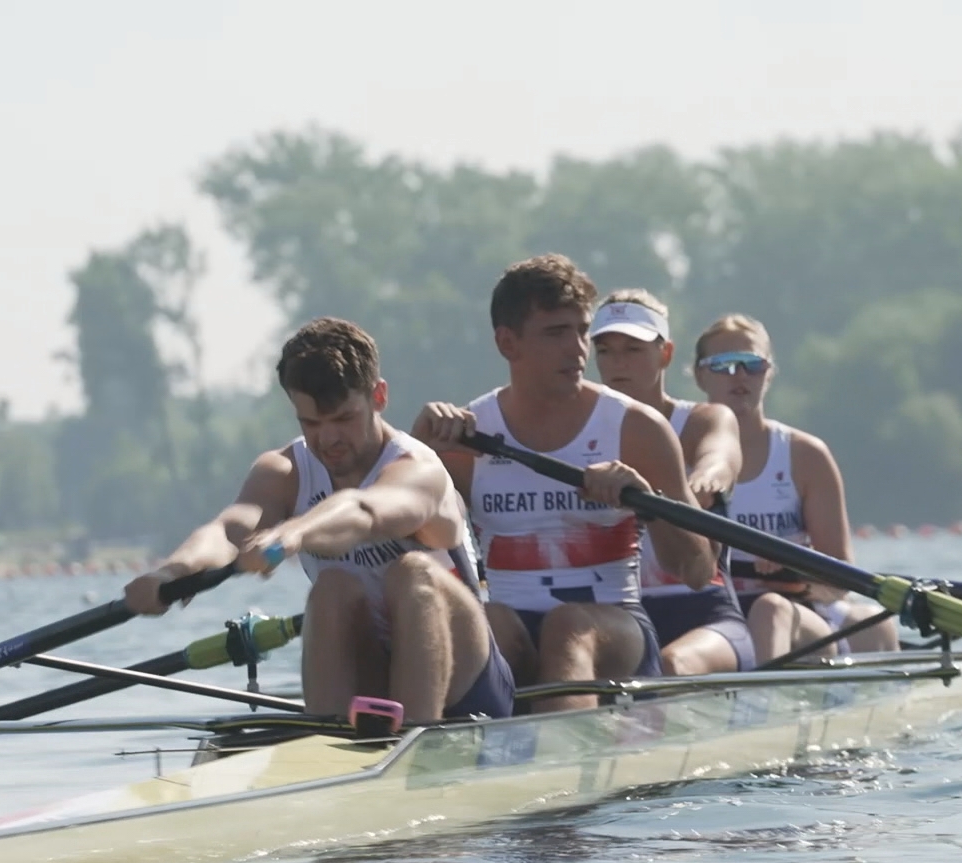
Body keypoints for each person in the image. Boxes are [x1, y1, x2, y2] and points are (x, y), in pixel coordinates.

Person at [123, 317, 513, 724]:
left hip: (469, 683)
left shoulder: (418, 468)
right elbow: (228, 530)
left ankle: (414, 742)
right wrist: (171, 572)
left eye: (343, 418)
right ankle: (328, 750)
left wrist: (292, 534)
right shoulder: (284, 471)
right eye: (311, 423)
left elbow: (364, 511)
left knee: (412, 573)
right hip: (372, 665)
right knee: (332, 588)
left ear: (378, 396)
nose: (328, 439)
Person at [413, 255, 716, 712]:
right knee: (477, 619)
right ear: (507, 343)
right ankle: (424, 747)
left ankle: (560, 765)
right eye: (556, 333)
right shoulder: (464, 436)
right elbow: (392, 547)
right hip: (510, 625)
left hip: (617, 629)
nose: (577, 350)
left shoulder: (637, 429)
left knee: (567, 624)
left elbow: (695, 571)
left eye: (581, 331)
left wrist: (647, 501)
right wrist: (418, 449)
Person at [693, 313, 900, 661]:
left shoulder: (805, 456)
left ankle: (758, 705)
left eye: (752, 364)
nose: (740, 375)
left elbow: (840, 576)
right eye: (724, 365)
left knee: (784, 610)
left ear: (769, 373)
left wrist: (795, 576)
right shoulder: (680, 452)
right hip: (717, 610)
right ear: (700, 375)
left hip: (798, 610)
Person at [590, 289, 755, 676]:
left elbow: (720, 460)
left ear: (665, 354)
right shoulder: (579, 431)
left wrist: (699, 482)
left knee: (670, 665)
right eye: (606, 351)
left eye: (632, 349)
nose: (617, 364)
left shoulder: (704, 420)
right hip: (619, 615)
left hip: (704, 614)